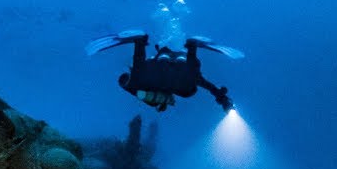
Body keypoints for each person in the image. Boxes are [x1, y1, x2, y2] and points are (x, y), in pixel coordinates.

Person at [86, 31, 242, 113]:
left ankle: (192, 47)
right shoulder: (173, 78)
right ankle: (139, 42)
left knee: (191, 80)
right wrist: (222, 99)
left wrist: (222, 98)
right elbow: (208, 86)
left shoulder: (159, 65)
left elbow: (206, 85)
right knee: (190, 82)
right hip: (178, 76)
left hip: (173, 75)